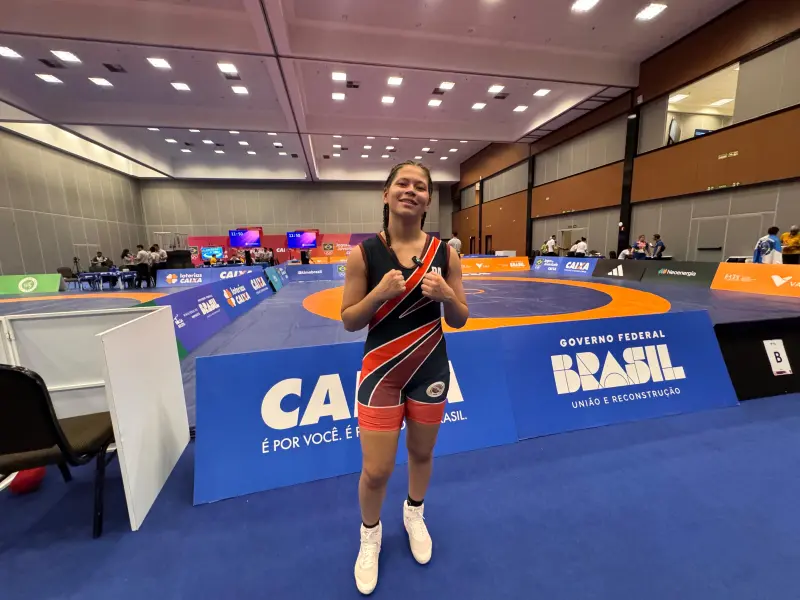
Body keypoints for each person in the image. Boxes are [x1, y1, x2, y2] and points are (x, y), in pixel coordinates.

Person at [340, 161, 469, 595]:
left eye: (420, 186)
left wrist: (447, 295)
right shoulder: (363, 255)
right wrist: (378, 294)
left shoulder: (446, 254)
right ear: (386, 193)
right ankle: (370, 534)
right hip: (381, 375)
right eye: (402, 183)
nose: (410, 190)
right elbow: (349, 320)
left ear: (429, 199)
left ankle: (414, 512)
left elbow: (460, 318)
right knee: (376, 470)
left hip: (430, 369)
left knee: (421, 452)